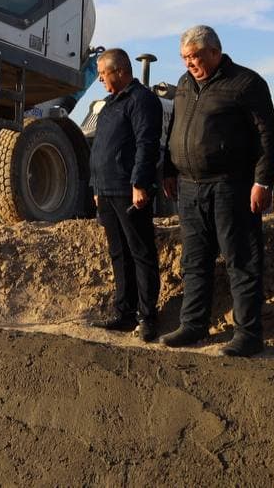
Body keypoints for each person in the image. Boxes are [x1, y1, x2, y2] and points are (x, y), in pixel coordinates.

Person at [161, 26, 274, 357]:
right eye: (184, 58)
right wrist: (168, 169)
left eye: (195, 56)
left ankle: (248, 334)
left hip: (231, 186)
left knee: (240, 259)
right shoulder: (184, 85)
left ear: (215, 51)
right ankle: (194, 324)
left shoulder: (245, 83)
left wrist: (263, 181)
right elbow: (173, 128)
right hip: (189, 187)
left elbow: (268, 134)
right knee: (195, 260)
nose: (189, 64)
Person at [89, 48, 163, 343]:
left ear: (119, 70)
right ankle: (124, 312)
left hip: (128, 190)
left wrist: (140, 183)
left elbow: (147, 143)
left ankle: (148, 317)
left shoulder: (141, 100)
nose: (100, 79)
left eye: (102, 73)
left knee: (141, 252)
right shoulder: (109, 105)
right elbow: (100, 148)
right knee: (118, 253)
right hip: (106, 191)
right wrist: (96, 187)